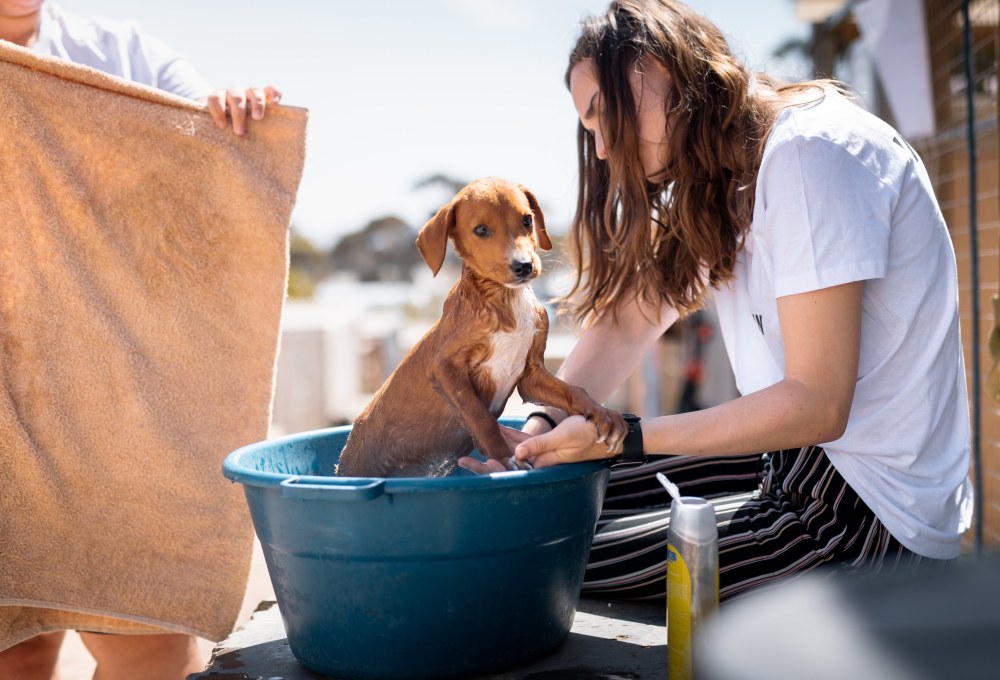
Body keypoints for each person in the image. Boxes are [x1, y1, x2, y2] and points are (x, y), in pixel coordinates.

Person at [464, 0, 974, 603]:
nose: (599, 150)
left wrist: (622, 434)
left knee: (525, 551)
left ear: (651, 69)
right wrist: (540, 432)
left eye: (601, 117)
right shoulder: (726, 172)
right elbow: (629, 322)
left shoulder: (812, 155)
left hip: (868, 517)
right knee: (544, 494)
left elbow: (818, 403)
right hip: (790, 464)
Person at [0, 1, 281, 678]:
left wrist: (226, 113)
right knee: (17, 646)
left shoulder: (118, 50)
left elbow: (205, 143)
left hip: (121, 423)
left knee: (156, 647)